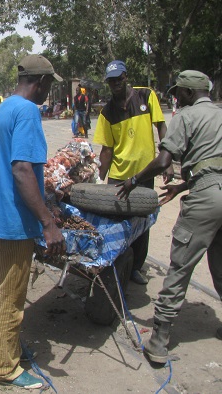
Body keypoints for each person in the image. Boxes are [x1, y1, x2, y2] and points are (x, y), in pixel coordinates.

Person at [0, 54, 66, 390]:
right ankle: (4, 368)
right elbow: (22, 169)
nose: (48, 93)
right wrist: (47, 222)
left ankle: (3, 353)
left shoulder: (1, 111)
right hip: (12, 224)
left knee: (1, 292)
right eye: (49, 86)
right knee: (11, 298)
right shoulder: (27, 112)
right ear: (40, 82)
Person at [116, 70, 222, 363]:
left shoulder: (185, 117)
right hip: (215, 189)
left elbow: (164, 160)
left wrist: (134, 180)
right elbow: (215, 163)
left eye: (178, 92)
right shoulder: (219, 113)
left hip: (206, 200)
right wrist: (185, 184)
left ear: (188, 93)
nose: (175, 97)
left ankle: (159, 340)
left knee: (180, 266)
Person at [93, 60, 173, 285]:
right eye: (111, 81)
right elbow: (107, 150)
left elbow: (161, 127)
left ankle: (136, 266)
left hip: (145, 173)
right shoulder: (107, 112)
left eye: (118, 79)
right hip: (119, 176)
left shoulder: (146, 96)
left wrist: (167, 161)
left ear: (126, 77)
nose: (115, 84)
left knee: (141, 222)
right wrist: (100, 179)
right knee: (117, 223)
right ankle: (117, 264)